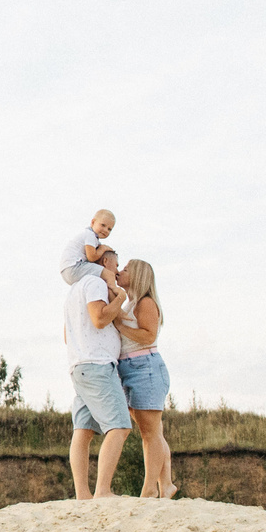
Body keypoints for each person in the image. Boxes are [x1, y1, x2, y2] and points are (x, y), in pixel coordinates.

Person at [62, 260, 132, 499]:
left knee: (83, 430)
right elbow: (99, 319)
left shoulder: (74, 291)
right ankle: (103, 490)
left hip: (80, 366)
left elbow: (67, 336)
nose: (117, 270)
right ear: (104, 262)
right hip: (97, 365)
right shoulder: (95, 283)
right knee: (119, 426)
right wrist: (120, 299)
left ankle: (82, 494)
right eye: (116, 263)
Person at [113, 259, 176, 499]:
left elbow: (148, 336)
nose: (120, 271)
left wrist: (120, 326)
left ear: (138, 275)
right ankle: (166, 484)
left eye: (126, 269)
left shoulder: (145, 302)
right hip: (131, 368)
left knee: (150, 433)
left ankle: (150, 489)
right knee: (152, 431)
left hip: (144, 368)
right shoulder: (130, 304)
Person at [58, 208, 123, 295]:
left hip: (67, 271)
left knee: (99, 276)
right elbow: (91, 257)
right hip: (74, 267)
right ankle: (116, 293)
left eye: (109, 229)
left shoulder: (93, 238)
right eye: (103, 225)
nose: (105, 230)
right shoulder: (90, 235)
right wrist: (103, 248)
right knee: (109, 275)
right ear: (93, 222)